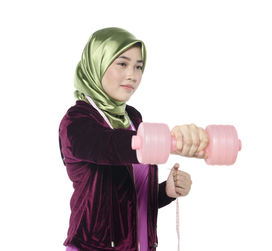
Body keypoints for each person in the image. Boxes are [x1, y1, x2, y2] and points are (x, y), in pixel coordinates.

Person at [59, 27, 208, 251]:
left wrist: (166, 191)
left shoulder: (134, 119)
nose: (133, 75)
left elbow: (130, 200)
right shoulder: (77, 121)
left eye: (138, 66)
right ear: (97, 63)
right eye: (122, 63)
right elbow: (110, 145)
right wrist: (171, 141)